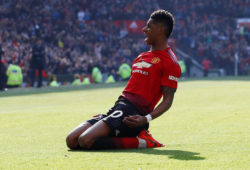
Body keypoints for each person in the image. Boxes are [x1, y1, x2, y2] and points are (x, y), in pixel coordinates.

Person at [66, 10, 181, 150]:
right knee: (71, 140)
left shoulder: (170, 62)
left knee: (85, 140)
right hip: (118, 108)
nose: (144, 29)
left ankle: (142, 141)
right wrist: (110, 115)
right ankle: (116, 127)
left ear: (161, 30)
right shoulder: (141, 57)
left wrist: (146, 119)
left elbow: (167, 101)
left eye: (149, 26)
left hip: (134, 114)